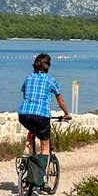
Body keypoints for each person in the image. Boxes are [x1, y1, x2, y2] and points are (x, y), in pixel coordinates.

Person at [17, 53, 71, 187]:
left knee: (31, 128)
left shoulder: (28, 78)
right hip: (41, 116)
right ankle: (44, 180)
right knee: (45, 148)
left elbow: (26, 95)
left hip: (23, 114)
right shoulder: (51, 80)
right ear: (48, 66)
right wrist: (66, 113)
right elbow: (61, 100)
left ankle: (26, 151)